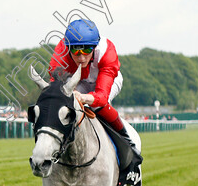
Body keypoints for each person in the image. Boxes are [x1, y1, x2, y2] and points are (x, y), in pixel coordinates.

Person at [48, 19, 141, 156]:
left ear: (95, 46)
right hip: (78, 80)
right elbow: (55, 86)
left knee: (97, 106)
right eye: (76, 50)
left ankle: (127, 143)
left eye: (86, 50)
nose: (81, 57)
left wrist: (83, 97)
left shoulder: (106, 51)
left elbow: (102, 97)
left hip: (107, 79)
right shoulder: (60, 55)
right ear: (67, 48)